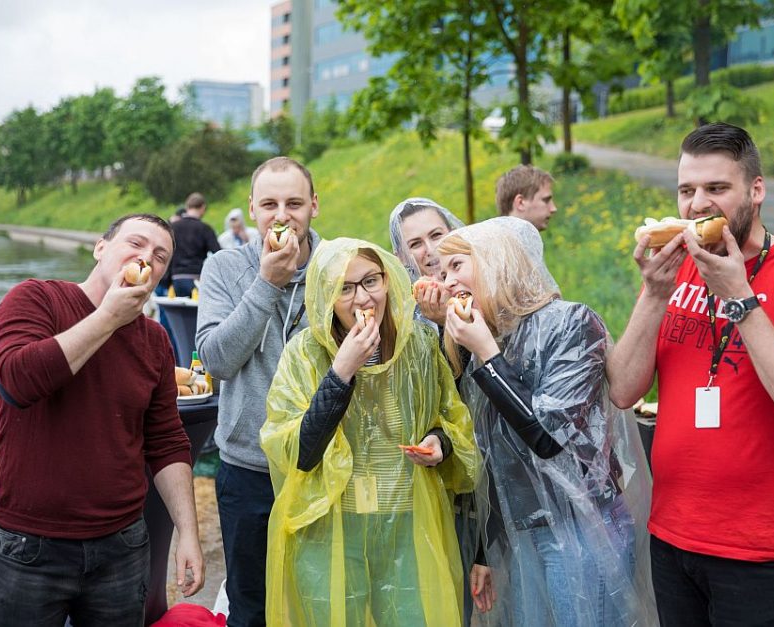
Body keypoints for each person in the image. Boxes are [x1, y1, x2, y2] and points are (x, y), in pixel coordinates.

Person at [608, 123, 774, 626]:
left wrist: (740, 298)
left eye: (716, 188)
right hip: (673, 540)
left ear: (756, 190)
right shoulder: (677, 268)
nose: (698, 204)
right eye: (687, 190)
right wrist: (655, 294)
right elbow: (622, 388)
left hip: (767, 558)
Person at [0, 213, 205, 626]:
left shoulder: (155, 340)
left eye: (160, 256)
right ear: (100, 248)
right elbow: (18, 382)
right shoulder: (35, 299)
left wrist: (188, 532)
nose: (147, 259)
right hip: (30, 545)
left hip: (122, 546)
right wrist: (108, 318)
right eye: (135, 244)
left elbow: (166, 440)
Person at [438, 222, 655, 626]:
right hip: (525, 534)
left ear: (496, 263)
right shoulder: (487, 340)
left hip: (583, 531)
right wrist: (487, 555)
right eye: (442, 272)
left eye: (455, 265)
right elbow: (495, 463)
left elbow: (547, 436)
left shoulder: (571, 323)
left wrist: (485, 352)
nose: (447, 281)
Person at [260, 238, 479, 626]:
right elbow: (299, 453)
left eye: (370, 282)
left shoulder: (420, 344)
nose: (362, 299)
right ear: (325, 295)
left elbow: (450, 418)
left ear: (388, 281)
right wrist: (342, 372)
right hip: (331, 529)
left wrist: (438, 444)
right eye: (344, 288)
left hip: (406, 522)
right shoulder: (305, 353)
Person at [196, 157, 322, 627]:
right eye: (269, 204)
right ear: (252, 209)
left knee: (320, 602)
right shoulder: (225, 268)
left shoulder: (338, 266)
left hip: (324, 467)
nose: (282, 215)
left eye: (294, 202)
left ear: (315, 206)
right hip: (247, 468)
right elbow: (216, 360)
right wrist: (267, 283)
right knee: (251, 607)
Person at [388, 197, 464, 327]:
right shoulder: (409, 321)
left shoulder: (484, 281)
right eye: (416, 244)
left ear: (453, 232)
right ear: (401, 257)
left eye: (436, 235)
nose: (431, 249)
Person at [170, 192, 221, 296]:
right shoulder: (205, 229)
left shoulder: (173, 227)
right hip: (195, 277)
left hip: (176, 278)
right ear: (203, 207)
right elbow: (219, 253)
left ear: (187, 207)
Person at [495, 164, 558, 231]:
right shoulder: (495, 240)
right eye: (546, 200)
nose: (553, 209)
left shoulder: (497, 237)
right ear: (520, 203)